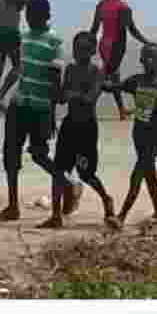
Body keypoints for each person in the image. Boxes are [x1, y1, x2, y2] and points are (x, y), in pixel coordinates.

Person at [0, 0, 69, 222]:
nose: (30, 19)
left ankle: (66, 183)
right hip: (19, 104)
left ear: (46, 17)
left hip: (41, 108)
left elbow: (55, 81)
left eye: (34, 16)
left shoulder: (54, 42)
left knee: (38, 154)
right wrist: (1, 93)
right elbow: (18, 69)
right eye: (28, 16)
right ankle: (12, 206)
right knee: (10, 154)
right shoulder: (23, 38)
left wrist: (52, 114)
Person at [39, 31, 120, 229]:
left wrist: (70, 94)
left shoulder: (97, 72)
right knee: (59, 171)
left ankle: (106, 199)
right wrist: (55, 84)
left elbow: (89, 98)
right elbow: (61, 98)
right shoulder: (70, 70)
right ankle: (56, 215)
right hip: (69, 126)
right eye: (76, 49)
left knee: (86, 174)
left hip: (87, 129)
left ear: (92, 50)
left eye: (83, 49)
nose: (78, 53)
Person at [113, 43, 157, 226]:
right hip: (139, 134)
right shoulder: (136, 81)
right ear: (141, 60)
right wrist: (101, 80)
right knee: (148, 172)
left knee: (137, 174)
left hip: (156, 136)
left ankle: (121, 216)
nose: (150, 60)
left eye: (154, 57)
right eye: (147, 56)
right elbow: (115, 87)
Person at [89, 0, 154, 120]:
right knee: (103, 80)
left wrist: (89, 47)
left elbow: (94, 29)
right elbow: (132, 30)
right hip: (116, 48)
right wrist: (147, 42)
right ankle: (89, 106)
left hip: (103, 45)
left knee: (114, 78)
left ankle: (121, 110)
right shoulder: (124, 8)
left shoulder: (101, 4)